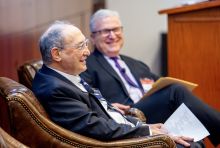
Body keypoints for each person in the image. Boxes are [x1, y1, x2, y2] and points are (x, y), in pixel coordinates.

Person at [32, 20, 206, 147]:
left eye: (85, 44)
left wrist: (144, 126)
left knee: (196, 139)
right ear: (56, 54)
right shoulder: (54, 88)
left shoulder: (63, 75)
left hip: (126, 131)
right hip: (119, 143)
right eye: (80, 46)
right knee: (192, 144)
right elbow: (95, 127)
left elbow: (105, 113)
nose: (87, 52)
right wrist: (149, 132)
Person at [80, 9, 220, 146]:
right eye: (105, 31)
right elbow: (88, 100)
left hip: (152, 114)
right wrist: (109, 107)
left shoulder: (137, 64)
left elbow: (161, 89)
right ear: (93, 37)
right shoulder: (87, 65)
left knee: (192, 135)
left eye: (116, 29)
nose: (112, 35)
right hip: (127, 116)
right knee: (175, 91)